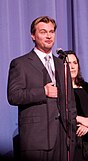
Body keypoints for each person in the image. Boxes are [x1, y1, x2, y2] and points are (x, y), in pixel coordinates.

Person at [7, 16, 77, 161]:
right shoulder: (21, 63)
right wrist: (43, 92)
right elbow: (13, 95)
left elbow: (70, 101)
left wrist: (71, 130)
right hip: (36, 138)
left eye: (51, 32)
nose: (49, 36)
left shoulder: (62, 64)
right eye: (43, 32)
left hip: (63, 137)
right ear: (33, 35)